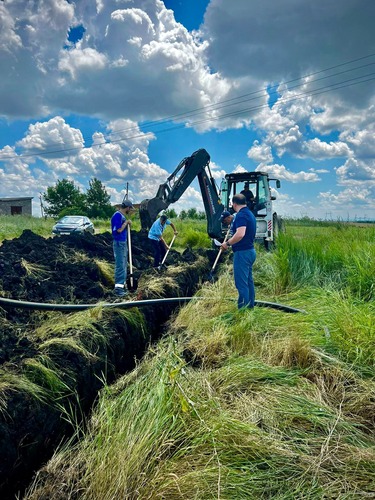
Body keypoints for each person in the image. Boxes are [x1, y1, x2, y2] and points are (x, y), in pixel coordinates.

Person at [221, 193, 256, 309]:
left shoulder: (241, 215)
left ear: (234, 204)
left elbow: (240, 234)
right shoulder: (250, 214)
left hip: (243, 253)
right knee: (248, 282)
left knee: (241, 284)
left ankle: (243, 312)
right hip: (250, 251)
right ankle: (250, 307)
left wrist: (227, 243)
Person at [111, 200, 133, 297]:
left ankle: (122, 285)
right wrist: (126, 223)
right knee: (120, 265)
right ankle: (118, 289)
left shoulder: (121, 216)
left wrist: (127, 224)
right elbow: (119, 230)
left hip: (123, 243)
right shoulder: (117, 215)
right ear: (127, 207)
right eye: (130, 208)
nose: (130, 210)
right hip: (119, 243)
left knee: (123, 264)